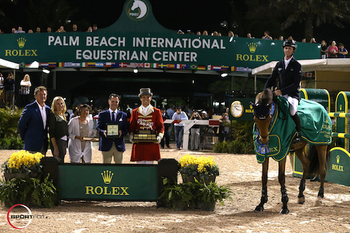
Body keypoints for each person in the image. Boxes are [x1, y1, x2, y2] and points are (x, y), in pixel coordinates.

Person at [264, 39, 302, 143]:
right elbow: (271, 79)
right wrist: (265, 91)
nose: (287, 50)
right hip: (280, 94)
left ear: (293, 50)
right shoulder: (279, 64)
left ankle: (298, 133)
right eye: (286, 48)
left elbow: (295, 84)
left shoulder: (297, 65)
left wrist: (282, 91)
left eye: (289, 48)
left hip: (293, 95)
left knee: (292, 110)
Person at [129, 88, 164, 164]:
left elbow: (160, 126)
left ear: (150, 98)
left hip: (151, 144)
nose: (146, 99)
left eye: (148, 97)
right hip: (139, 143)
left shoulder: (157, 111)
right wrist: (131, 135)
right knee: (139, 166)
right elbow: (132, 126)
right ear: (140, 98)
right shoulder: (135, 112)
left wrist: (159, 136)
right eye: (144, 97)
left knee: (149, 165)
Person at [96, 94, 128, 164]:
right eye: (112, 101)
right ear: (109, 102)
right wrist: (103, 132)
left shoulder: (123, 115)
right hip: (106, 144)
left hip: (119, 145)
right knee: (106, 167)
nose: (114, 103)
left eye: (116, 102)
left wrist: (121, 133)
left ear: (118, 102)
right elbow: (98, 128)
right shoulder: (102, 114)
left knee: (119, 168)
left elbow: (126, 129)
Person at [18, 86, 50, 154]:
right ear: (35, 96)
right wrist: (26, 138)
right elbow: (21, 125)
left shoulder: (48, 109)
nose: (43, 96)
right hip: (31, 145)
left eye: (44, 94)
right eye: (40, 94)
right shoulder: (30, 108)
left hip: (43, 145)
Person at [49, 96, 69, 164]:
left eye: (61, 103)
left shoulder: (63, 116)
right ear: (54, 105)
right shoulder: (53, 116)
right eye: (58, 104)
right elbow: (51, 133)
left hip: (63, 142)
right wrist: (55, 148)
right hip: (58, 142)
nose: (60, 105)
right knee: (59, 163)